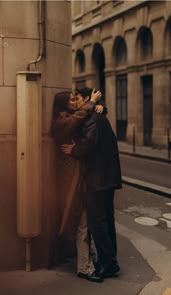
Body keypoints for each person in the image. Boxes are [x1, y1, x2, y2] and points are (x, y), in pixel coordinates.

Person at [61, 87, 122, 281]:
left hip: (96, 179)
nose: (76, 102)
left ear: (86, 99)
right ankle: (111, 260)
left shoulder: (92, 118)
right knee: (107, 221)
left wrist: (74, 150)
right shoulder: (97, 115)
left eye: (78, 98)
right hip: (107, 179)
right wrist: (98, 107)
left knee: (98, 224)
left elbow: (88, 143)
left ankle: (109, 263)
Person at [51, 89, 103, 283]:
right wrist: (92, 104)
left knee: (83, 223)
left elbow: (82, 117)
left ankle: (87, 262)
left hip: (78, 179)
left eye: (75, 98)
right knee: (81, 224)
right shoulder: (60, 123)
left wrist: (99, 107)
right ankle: (84, 267)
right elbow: (78, 119)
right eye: (72, 100)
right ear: (64, 104)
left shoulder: (70, 117)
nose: (75, 102)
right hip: (71, 182)